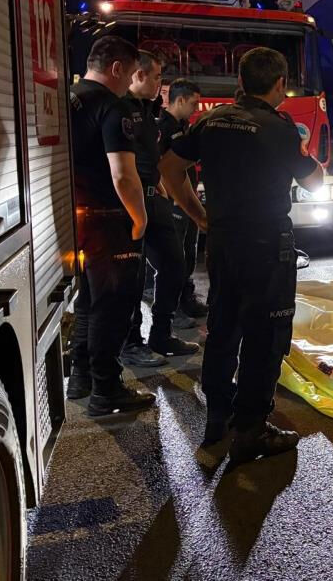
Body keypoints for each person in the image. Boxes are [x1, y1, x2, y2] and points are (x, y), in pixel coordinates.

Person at [160, 47, 326, 466]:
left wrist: (198, 216)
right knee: (265, 337)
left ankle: (216, 422)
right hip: (267, 246)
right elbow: (314, 181)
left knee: (222, 328)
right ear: (279, 85)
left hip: (223, 242)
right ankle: (250, 429)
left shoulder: (209, 122)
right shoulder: (279, 127)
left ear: (239, 83)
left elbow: (168, 169)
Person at [67, 36, 156, 416]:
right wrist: (139, 218)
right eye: (131, 72)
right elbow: (123, 175)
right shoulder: (110, 105)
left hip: (74, 216)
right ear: (117, 68)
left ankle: (81, 376)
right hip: (107, 220)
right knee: (113, 304)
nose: (129, 81)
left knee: (88, 300)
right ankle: (107, 389)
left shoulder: (69, 98)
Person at [120, 53, 200, 366]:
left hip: (155, 198)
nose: (160, 84)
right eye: (156, 77)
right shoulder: (120, 108)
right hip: (131, 202)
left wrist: (162, 190)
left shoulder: (147, 110)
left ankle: (162, 333)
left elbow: (153, 159)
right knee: (133, 276)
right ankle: (131, 343)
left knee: (175, 264)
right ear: (138, 74)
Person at [158, 79, 208, 324]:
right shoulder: (163, 126)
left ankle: (186, 299)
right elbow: (164, 168)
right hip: (173, 201)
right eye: (193, 103)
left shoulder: (183, 124)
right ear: (179, 100)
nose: (196, 109)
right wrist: (176, 199)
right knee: (176, 257)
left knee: (189, 251)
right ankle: (175, 309)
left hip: (186, 197)